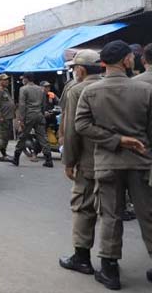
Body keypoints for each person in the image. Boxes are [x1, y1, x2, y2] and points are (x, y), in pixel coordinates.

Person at [75, 40, 152, 290]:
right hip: (141, 162)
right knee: (148, 215)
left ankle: (110, 271)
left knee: (110, 215)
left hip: (107, 163)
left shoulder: (90, 92)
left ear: (105, 63)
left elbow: (81, 126)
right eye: (131, 57)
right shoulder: (144, 90)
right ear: (127, 60)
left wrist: (116, 140)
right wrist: (133, 141)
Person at [58, 49, 103, 275]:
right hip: (117, 159)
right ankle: (110, 264)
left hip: (88, 161)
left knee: (83, 207)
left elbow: (73, 130)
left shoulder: (77, 90)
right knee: (111, 212)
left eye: (74, 68)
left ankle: (82, 258)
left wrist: (69, 161)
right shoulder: (115, 86)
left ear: (81, 70)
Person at [12, 72, 52, 167]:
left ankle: (16, 158)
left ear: (26, 79)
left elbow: (22, 105)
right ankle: (49, 159)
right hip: (39, 115)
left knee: (23, 137)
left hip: (28, 116)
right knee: (43, 137)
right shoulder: (40, 89)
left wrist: (21, 120)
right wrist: (42, 114)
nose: (22, 80)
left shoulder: (23, 89)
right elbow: (43, 104)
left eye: (23, 78)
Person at [0, 74, 15, 160]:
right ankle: (1, 155)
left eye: (8, 80)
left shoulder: (5, 90)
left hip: (8, 116)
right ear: (0, 81)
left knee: (6, 137)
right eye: (5, 80)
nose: (7, 81)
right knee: (2, 137)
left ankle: (4, 153)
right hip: (3, 117)